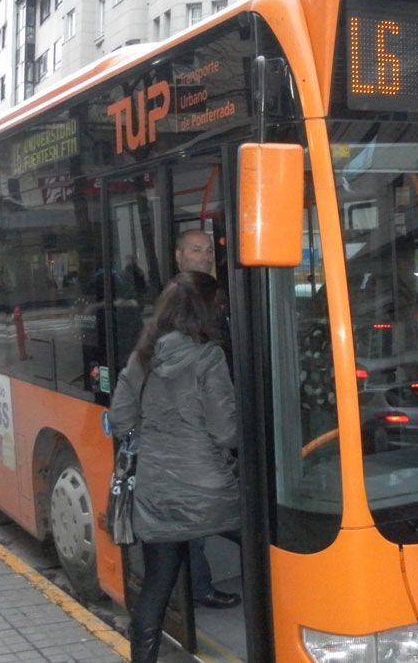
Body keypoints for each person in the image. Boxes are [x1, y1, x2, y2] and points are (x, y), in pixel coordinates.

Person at [111, 272, 240, 662]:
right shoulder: (208, 357)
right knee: (270, 538)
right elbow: (226, 432)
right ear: (205, 311)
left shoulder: (141, 359)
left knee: (157, 583)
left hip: (156, 492)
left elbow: (119, 421)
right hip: (208, 491)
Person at [173, 228, 240, 609]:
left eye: (208, 250)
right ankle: (197, 588)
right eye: (195, 250)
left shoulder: (215, 293)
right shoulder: (179, 301)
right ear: (178, 256)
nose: (204, 256)